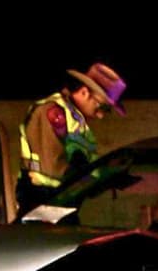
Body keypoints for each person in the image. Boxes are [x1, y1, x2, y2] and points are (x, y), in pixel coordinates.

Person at [16, 63, 126, 212]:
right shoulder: (53, 113)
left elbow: (84, 167)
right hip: (43, 205)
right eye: (102, 107)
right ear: (84, 92)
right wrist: (96, 180)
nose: (100, 116)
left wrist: (107, 176)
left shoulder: (74, 120)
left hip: (60, 205)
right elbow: (54, 169)